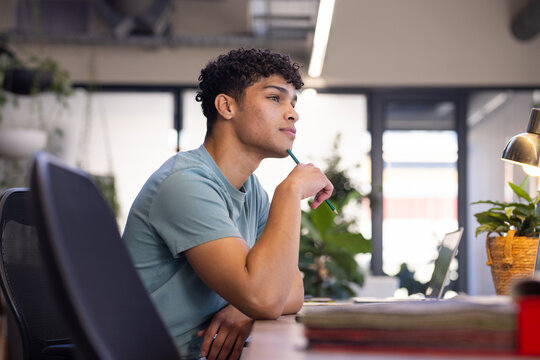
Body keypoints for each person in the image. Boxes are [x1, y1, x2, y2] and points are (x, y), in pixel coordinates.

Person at [122, 48, 334, 360]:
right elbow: (266, 298)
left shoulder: (252, 192)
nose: (292, 113)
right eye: (275, 98)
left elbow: (291, 290)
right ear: (226, 106)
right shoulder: (186, 184)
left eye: (293, 102)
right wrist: (290, 191)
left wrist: (243, 309)